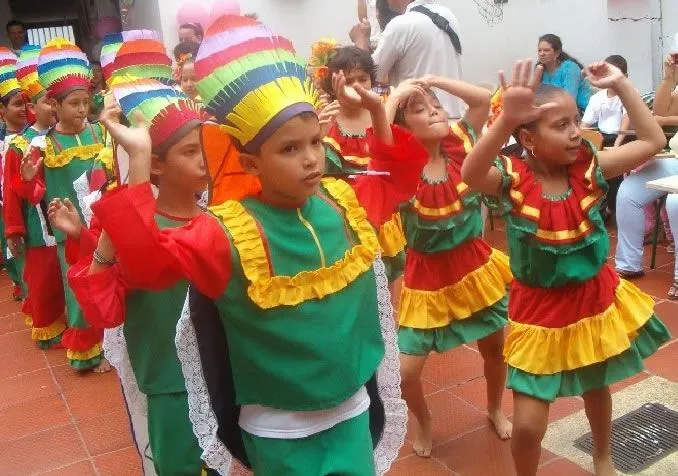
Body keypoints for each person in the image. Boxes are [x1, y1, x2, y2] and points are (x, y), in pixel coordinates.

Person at [87, 14, 427, 476]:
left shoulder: (342, 203)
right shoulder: (228, 230)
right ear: (251, 161)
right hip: (278, 431)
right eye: (288, 149)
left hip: (351, 412)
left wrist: (377, 114)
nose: (310, 158)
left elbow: (398, 178)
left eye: (314, 142)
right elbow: (147, 266)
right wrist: (141, 160)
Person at [460, 59, 670, 476]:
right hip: (538, 312)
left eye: (575, 120)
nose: (576, 132)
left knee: (597, 387)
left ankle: (603, 456)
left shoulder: (587, 169)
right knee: (527, 425)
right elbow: (471, 172)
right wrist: (503, 124)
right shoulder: (513, 180)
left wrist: (622, 84)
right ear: (529, 139)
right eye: (560, 125)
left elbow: (651, 139)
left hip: (592, 300)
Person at [61, 77, 215, 476]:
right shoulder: (139, 226)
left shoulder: (218, 218)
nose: (205, 161)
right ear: (159, 163)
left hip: (224, 371)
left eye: (206, 149)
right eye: (190, 151)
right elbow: (108, 303)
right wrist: (139, 162)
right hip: (169, 379)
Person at [385, 76, 512, 456]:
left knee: (494, 349)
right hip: (426, 278)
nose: (434, 111)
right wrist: (395, 97)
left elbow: (482, 99)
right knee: (406, 372)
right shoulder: (400, 167)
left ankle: (493, 408)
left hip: (475, 268)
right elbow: (380, 142)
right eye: (420, 110)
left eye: (436, 106)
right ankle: (423, 422)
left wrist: (430, 82)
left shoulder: (460, 147)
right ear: (404, 128)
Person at [24, 38, 110, 371]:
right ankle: (87, 350)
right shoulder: (43, 144)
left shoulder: (99, 134)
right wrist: (32, 178)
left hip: (99, 224)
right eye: (73, 103)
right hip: (66, 231)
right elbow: (34, 192)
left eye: (85, 102)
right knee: (77, 285)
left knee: (105, 280)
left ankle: (111, 342)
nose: (81, 110)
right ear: (53, 106)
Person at [3, 44, 63, 348]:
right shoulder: (19, 144)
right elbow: (12, 193)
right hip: (38, 224)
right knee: (43, 279)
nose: (52, 107)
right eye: (45, 102)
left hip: (66, 218)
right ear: (32, 106)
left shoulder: (64, 136)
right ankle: (48, 326)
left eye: (55, 101)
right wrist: (13, 229)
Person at [615, 54, 678, 281]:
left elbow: (663, 119)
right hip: (675, 160)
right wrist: (669, 79)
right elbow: (661, 111)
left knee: (675, 201)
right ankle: (629, 264)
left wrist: (667, 122)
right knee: (628, 191)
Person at [351, 0, 463, 118]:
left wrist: (360, 40)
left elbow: (370, 74)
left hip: (422, 121)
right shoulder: (448, 15)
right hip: (453, 118)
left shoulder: (400, 24)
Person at [581, 54, 629, 219]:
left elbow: (626, 118)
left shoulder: (628, 94)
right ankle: (594, 205)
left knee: (615, 170)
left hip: (623, 137)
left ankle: (610, 208)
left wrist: (617, 143)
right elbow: (585, 124)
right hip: (602, 138)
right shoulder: (597, 98)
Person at [0, 46, 29, 301]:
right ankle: (21, 286)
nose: (24, 109)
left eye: (26, 103)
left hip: (28, 202)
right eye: (17, 104)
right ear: (2, 110)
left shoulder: (33, 136)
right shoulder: (4, 141)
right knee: (13, 250)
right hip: (5, 202)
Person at [538, 33, 592, 112]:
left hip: (581, 111)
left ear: (557, 53)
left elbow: (569, 99)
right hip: (552, 110)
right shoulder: (540, 69)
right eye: (539, 50)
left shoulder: (570, 68)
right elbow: (537, 95)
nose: (542, 54)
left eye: (546, 50)